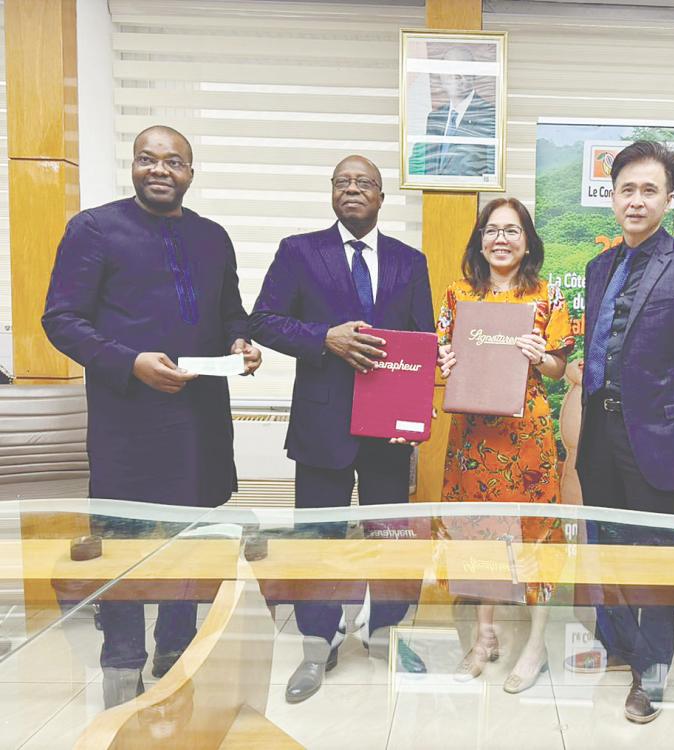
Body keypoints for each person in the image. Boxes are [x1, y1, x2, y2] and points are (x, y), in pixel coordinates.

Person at [42, 125, 261, 707]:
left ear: (191, 172)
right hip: (128, 422)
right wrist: (128, 361)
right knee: (125, 540)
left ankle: (175, 652)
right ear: (134, 167)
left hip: (199, 419)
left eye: (174, 162)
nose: (161, 170)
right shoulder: (93, 229)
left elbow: (230, 313)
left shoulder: (214, 238)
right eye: (148, 159)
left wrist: (242, 344)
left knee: (190, 540)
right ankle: (121, 661)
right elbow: (61, 319)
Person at [250, 154, 434, 704]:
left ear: (381, 198)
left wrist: (416, 419)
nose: (353, 189)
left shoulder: (409, 260)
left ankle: (386, 635)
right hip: (322, 420)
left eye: (365, 183)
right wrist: (322, 338)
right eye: (343, 182)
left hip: (388, 427)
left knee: (390, 538)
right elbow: (264, 320)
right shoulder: (299, 251)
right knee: (318, 538)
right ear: (332, 193)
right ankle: (317, 643)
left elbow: (421, 342)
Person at [573, 141, 674, 723]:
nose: (636, 200)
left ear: (669, 197)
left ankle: (653, 671)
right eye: (626, 189)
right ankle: (620, 645)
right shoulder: (597, 267)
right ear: (612, 196)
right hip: (600, 434)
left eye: (649, 190)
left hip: (658, 438)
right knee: (606, 548)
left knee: (656, 559)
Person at [436, 197, 574, 694]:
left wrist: (543, 358)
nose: (500, 239)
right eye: (491, 230)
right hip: (473, 435)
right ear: (479, 239)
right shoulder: (457, 296)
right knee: (477, 532)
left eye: (512, 230)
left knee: (534, 533)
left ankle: (536, 643)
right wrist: (446, 361)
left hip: (527, 435)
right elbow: (442, 357)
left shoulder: (546, 295)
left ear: (527, 240)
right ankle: (484, 635)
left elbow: (560, 368)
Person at [416, 46, 496, 177]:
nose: (456, 76)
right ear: (441, 76)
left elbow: (493, 174)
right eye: (449, 69)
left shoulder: (489, 116)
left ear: (474, 75)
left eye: (462, 69)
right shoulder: (434, 118)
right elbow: (429, 171)